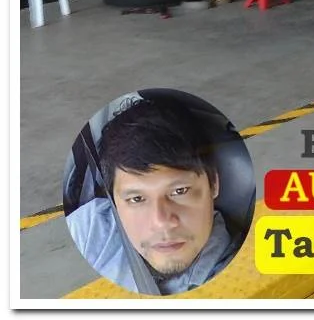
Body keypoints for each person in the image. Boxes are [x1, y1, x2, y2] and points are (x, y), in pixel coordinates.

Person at [65, 96, 242, 295]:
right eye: (137, 199)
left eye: (179, 191)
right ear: (114, 202)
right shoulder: (91, 230)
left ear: (213, 184)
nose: (161, 222)